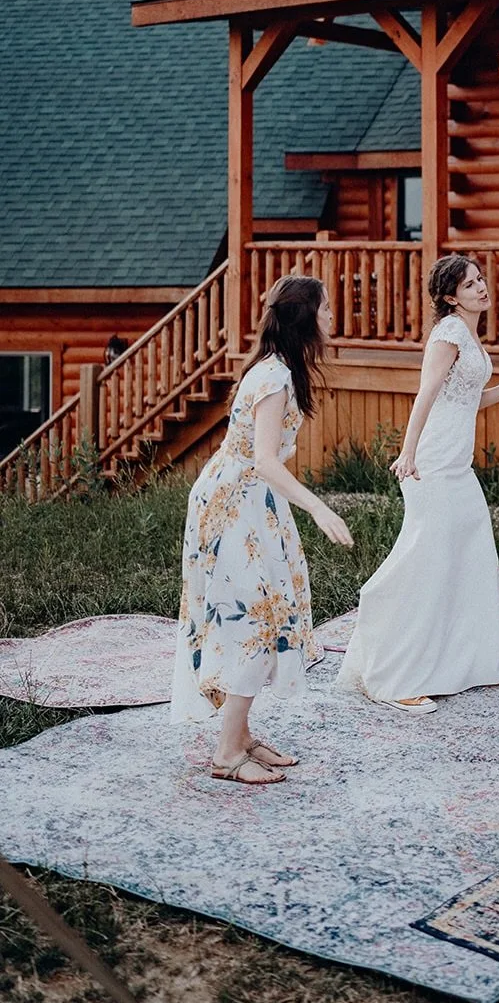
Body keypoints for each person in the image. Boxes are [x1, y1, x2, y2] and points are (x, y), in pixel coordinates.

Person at [336, 255, 499, 712]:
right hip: (432, 463)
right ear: (451, 296)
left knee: (472, 556)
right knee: (425, 561)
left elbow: (471, 399)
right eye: (471, 284)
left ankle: (469, 663)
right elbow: (426, 394)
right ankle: (394, 674)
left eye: (481, 280)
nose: (482, 288)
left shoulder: (468, 334)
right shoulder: (449, 333)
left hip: (458, 465)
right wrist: (408, 452)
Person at [172, 275, 353, 784]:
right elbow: (266, 462)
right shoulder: (274, 378)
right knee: (253, 618)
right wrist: (320, 508)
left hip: (248, 500)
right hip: (236, 503)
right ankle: (228, 754)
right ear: (305, 320)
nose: (332, 318)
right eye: (326, 310)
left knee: (265, 613)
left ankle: (242, 735)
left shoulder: (279, 370)